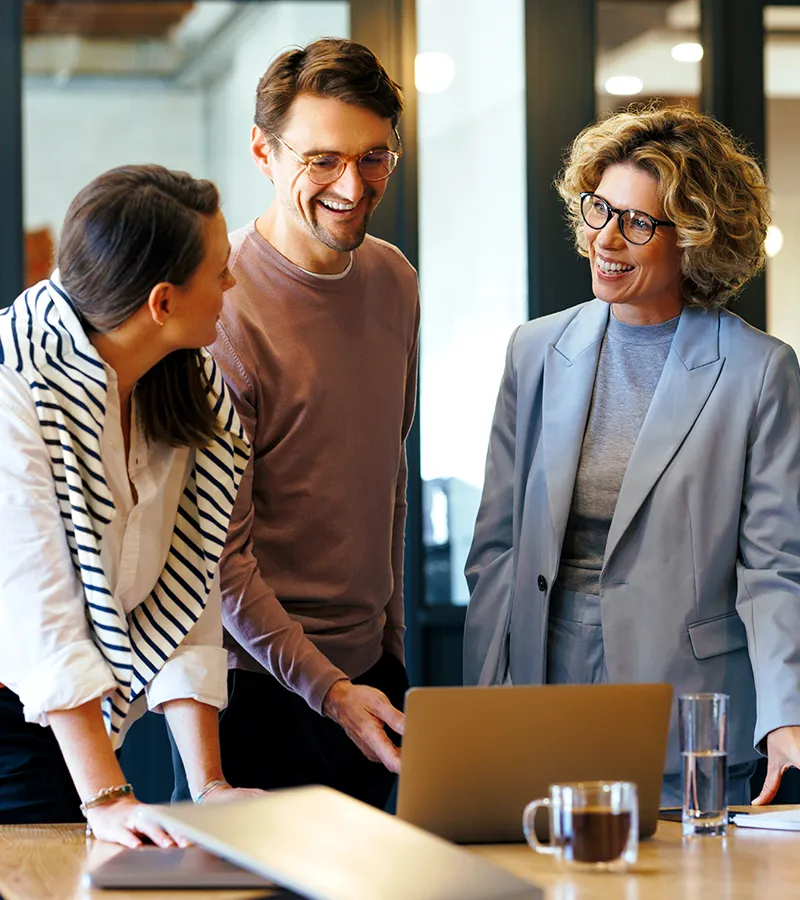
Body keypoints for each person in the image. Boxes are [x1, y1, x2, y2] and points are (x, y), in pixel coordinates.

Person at [463, 104, 800, 806]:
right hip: (543, 693)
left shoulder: (759, 370)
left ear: (695, 239)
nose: (605, 238)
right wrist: (482, 703)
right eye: (598, 209)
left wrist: (786, 713)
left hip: (687, 704)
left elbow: (775, 568)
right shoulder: (536, 349)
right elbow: (496, 551)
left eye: (638, 222)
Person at [0, 164, 263, 843]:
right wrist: (109, 797)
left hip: (75, 719)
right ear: (162, 302)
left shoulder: (181, 383)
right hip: (19, 713)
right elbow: (38, 610)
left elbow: (188, 585)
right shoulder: (14, 388)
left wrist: (209, 786)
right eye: (220, 271)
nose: (232, 285)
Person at [197, 38, 419, 810]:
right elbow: (220, 562)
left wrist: (388, 655)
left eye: (374, 158)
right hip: (258, 693)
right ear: (263, 151)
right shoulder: (218, 309)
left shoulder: (394, 279)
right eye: (321, 160)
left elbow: (388, 477)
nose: (351, 187)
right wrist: (328, 690)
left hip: (373, 682)